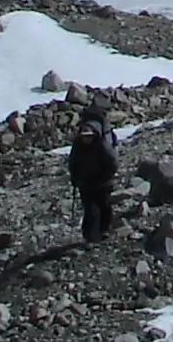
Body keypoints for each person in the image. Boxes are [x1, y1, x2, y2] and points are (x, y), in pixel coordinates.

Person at [68, 103, 119, 242]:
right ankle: (90, 236)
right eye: (84, 136)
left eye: (88, 136)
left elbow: (112, 163)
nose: (86, 139)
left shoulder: (102, 145)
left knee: (104, 206)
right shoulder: (79, 146)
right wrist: (75, 176)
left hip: (102, 181)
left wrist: (107, 176)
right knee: (91, 209)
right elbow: (73, 162)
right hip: (87, 182)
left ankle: (103, 231)